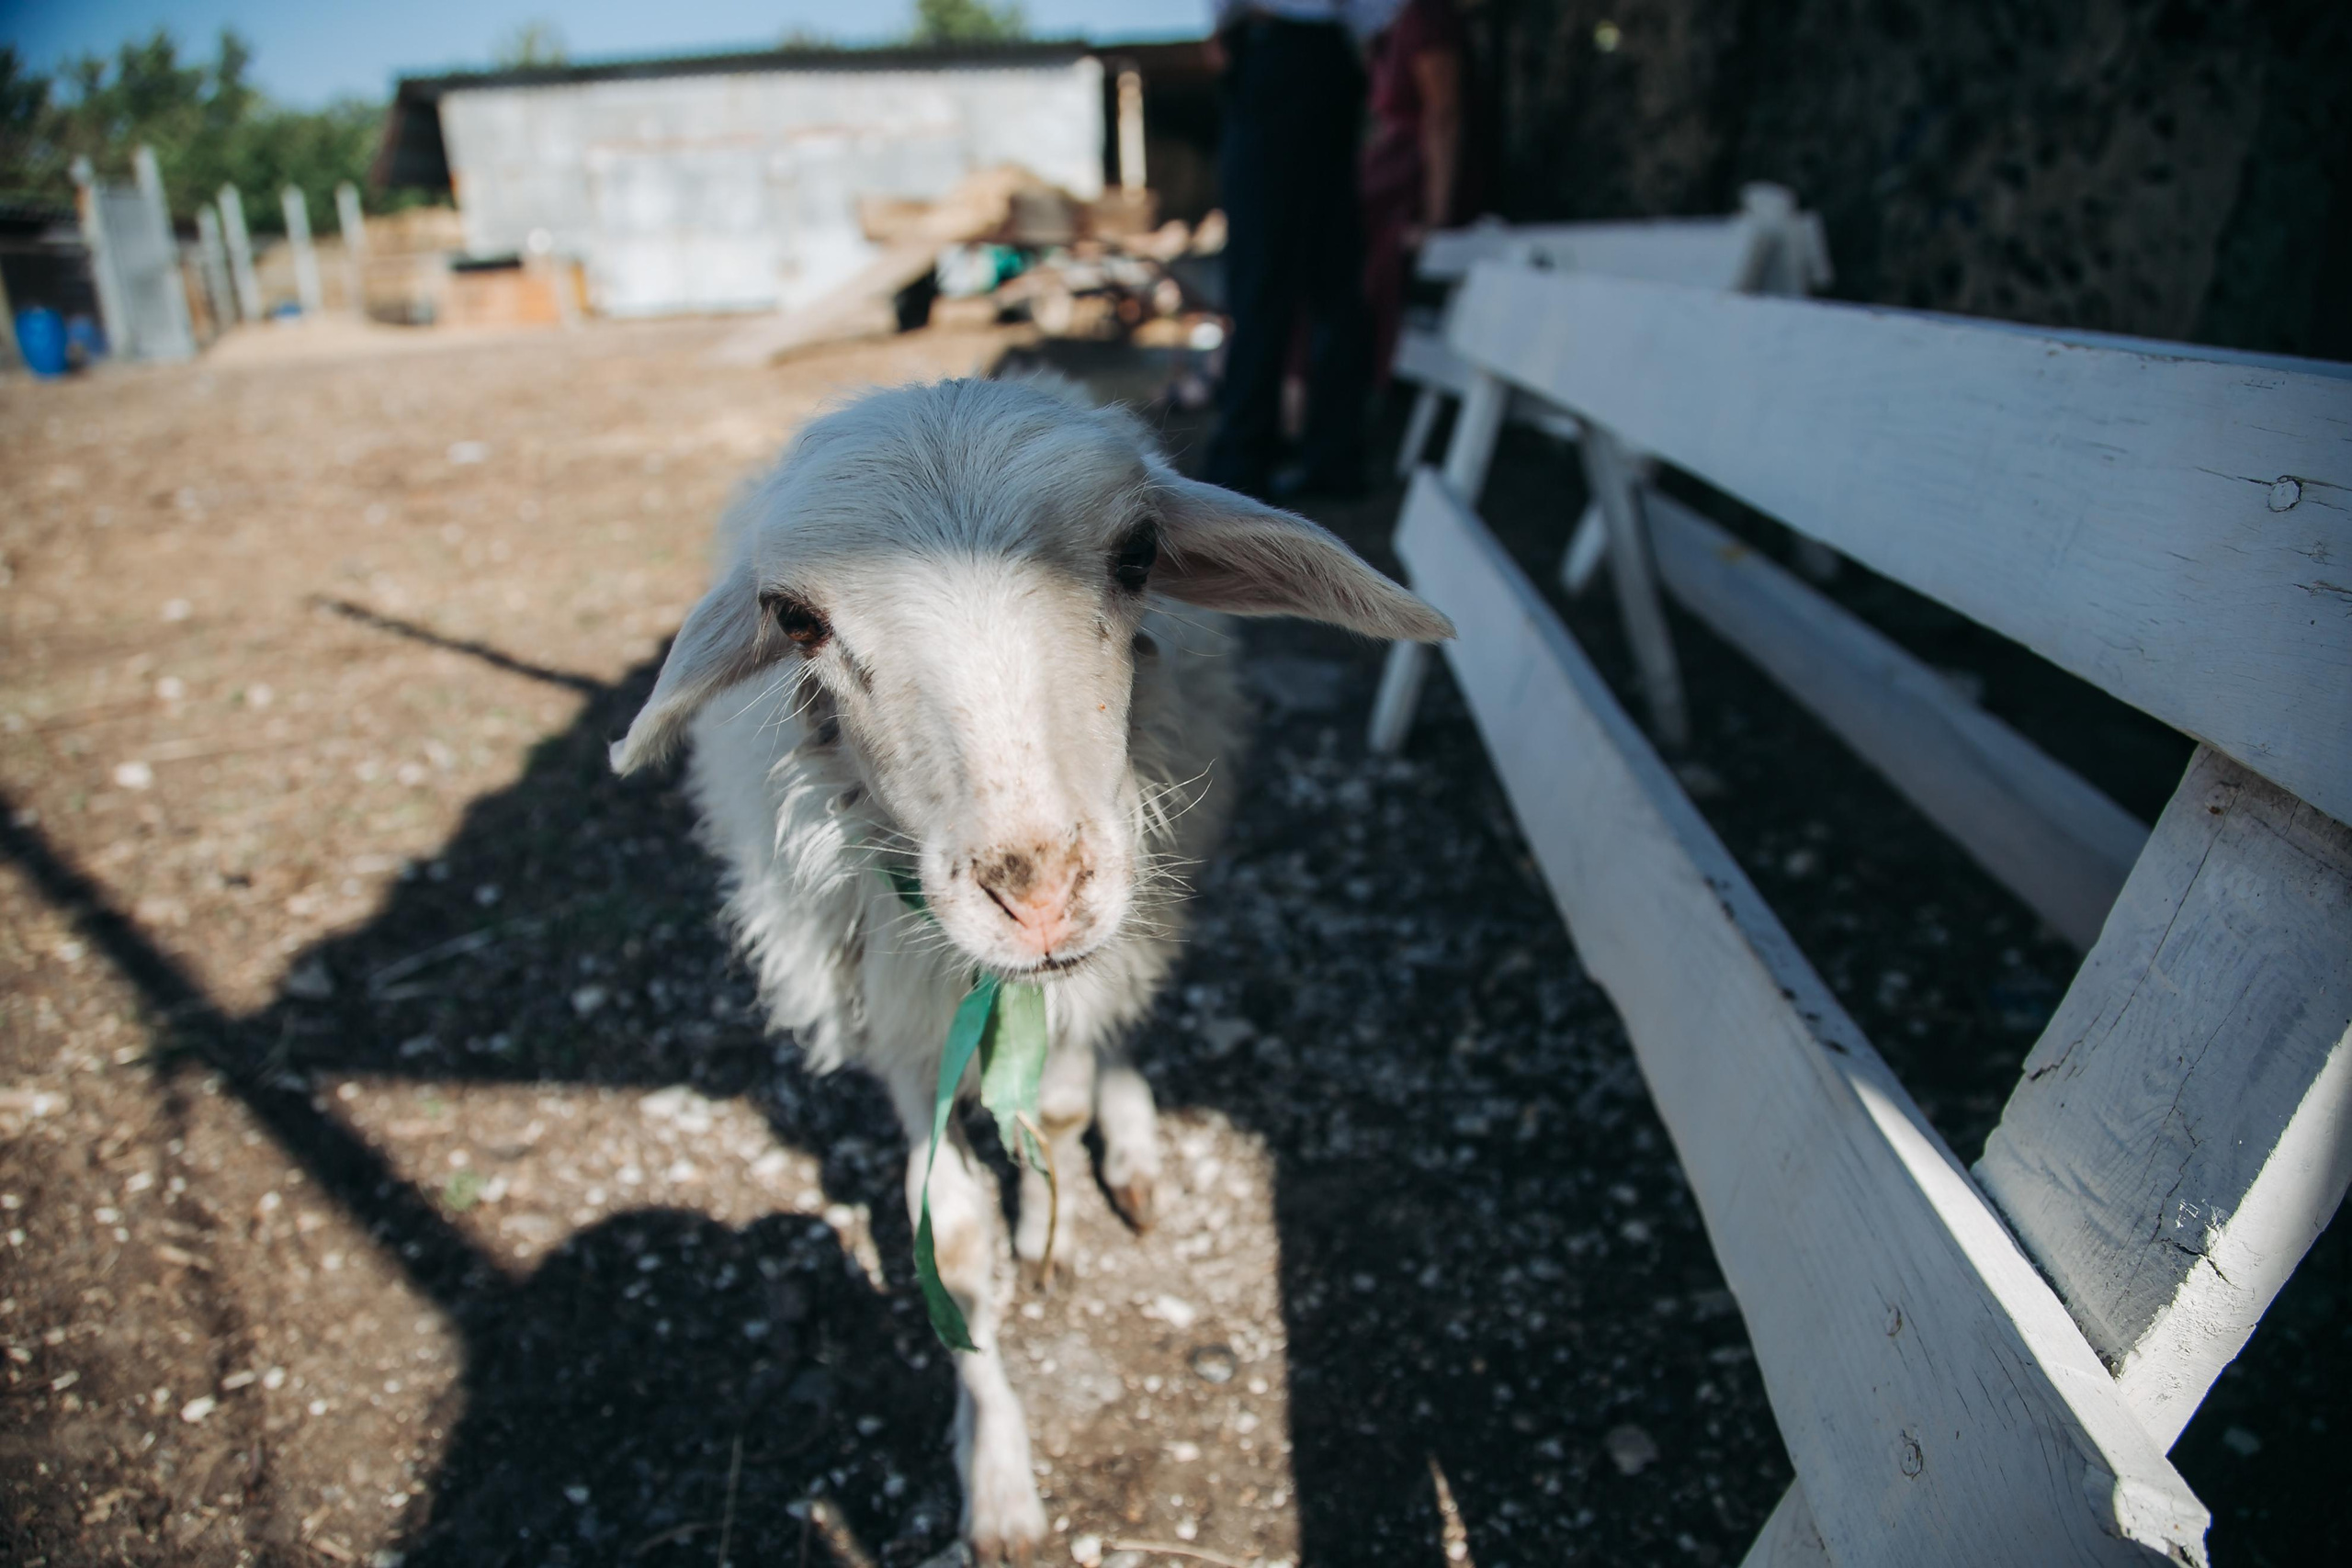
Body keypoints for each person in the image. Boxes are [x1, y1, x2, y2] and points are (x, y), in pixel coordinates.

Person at [1202, 2, 1393, 502]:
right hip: (1330, 60)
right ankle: (1333, 458)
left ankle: (1242, 461)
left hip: (1277, 57)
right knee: (1333, 278)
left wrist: (1227, 30)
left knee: (1261, 277)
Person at [1360, 0, 1470, 391]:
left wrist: (1436, 221)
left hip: (1408, 189)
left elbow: (1443, 115)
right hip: (1387, 178)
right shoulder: (1392, 26)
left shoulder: (1427, 19)